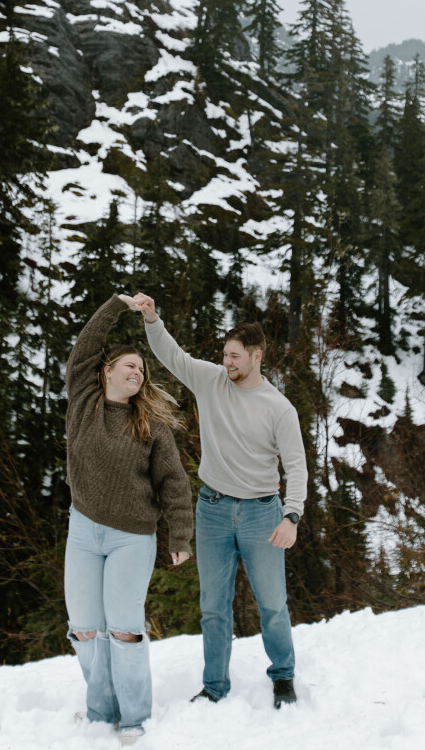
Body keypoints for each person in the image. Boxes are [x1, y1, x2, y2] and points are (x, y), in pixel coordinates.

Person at [126, 292, 307, 709]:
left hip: (263, 514)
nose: (227, 362)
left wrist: (292, 516)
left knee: (272, 605)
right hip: (212, 510)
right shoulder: (211, 380)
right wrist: (152, 319)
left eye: (235, 356)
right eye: (225, 354)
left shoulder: (279, 409)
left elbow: (297, 468)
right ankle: (214, 686)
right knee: (213, 607)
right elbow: (172, 356)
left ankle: (283, 676)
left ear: (257, 356)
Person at [64, 294, 193, 746]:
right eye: (130, 366)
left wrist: (180, 536)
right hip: (83, 529)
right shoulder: (84, 401)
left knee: (123, 629)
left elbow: (173, 482)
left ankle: (134, 717)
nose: (138, 373)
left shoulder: (151, 425)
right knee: (84, 628)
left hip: (131, 537)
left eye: (142, 369)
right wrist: (117, 305)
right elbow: (85, 346)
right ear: (106, 371)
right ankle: (101, 711)